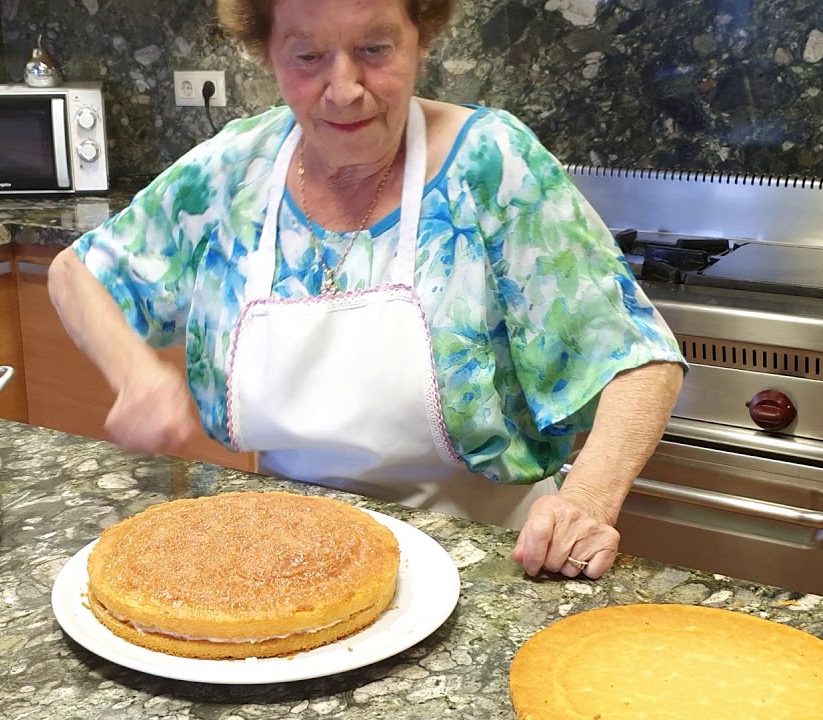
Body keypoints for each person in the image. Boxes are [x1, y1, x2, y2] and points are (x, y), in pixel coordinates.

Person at [47, 0, 686, 581]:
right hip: (287, 560)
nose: (345, 89)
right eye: (307, 56)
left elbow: (640, 358)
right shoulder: (235, 168)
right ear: (266, 52)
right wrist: (136, 374)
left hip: (486, 563)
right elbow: (74, 274)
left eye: (375, 50)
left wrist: (585, 501)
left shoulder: (489, 163)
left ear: (421, 38)